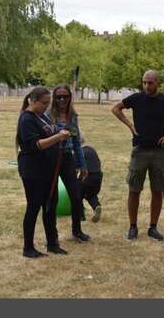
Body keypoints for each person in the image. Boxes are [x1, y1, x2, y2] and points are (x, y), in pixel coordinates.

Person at [112, 69, 164, 241]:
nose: (146, 85)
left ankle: (153, 227)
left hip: (158, 152)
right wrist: (130, 125)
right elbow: (116, 109)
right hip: (140, 151)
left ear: (157, 82)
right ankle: (132, 227)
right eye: (144, 82)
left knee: (158, 190)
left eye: (150, 82)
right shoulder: (137, 98)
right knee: (134, 189)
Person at [16, 86, 71, 258]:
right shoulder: (26, 119)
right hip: (33, 171)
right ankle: (28, 248)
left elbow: (52, 132)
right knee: (34, 207)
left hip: (48, 170)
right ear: (33, 101)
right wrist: (58, 137)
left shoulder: (41, 117)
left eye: (48, 103)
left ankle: (53, 244)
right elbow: (36, 145)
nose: (47, 106)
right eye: (44, 103)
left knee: (50, 206)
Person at [49, 84, 91, 242]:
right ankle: (51, 236)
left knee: (75, 195)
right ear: (54, 98)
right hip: (51, 159)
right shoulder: (48, 115)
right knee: (52, 199)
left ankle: (77, 231)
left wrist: (83, 165)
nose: (62, 100)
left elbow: (76, 143)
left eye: (65, 97)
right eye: (58, 97)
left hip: (67, 158)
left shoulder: (73, 116)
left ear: (69, 98)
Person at [79, 134, 103, 223]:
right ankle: (96, 206)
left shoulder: (79, 152)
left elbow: (75, 167)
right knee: (91, 195)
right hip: (98, 176)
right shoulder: (92, 149)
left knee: (78, 195)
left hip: (88, 177)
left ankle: (81, 216)